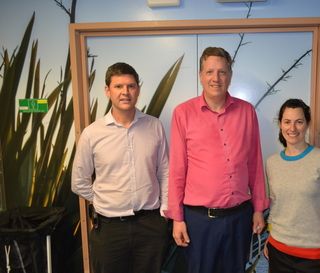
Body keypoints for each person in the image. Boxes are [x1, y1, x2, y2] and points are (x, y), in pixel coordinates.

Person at [166, 46, 270, 273]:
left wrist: (259, 208)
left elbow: (254, 163)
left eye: (222, 72)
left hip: (239, 218)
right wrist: (177, 218)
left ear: (230, 76)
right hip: (199, 221)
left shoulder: (246, 112)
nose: (216, 78)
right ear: (201, 75)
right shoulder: (183, 113)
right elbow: (177, 170)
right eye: (210, 71)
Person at [71, 62, 169, 273]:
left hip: (150, 226)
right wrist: (104, 201)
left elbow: (165, 172)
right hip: (109, 229)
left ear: (138, 89)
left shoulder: (154, 126)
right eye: (118, 86)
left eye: (131, 86)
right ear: (107, 90)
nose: (125, 92)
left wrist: (164, 212)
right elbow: (79, 181)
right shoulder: (92, 133)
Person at [264, 98, 320, 273]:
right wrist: (270, 238)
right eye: (287, 122)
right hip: (278, 250)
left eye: (299, 122)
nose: (292, 128)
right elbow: (276, 203)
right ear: (280, 124)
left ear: (307, 124)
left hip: (313, 255)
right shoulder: (272, 163)